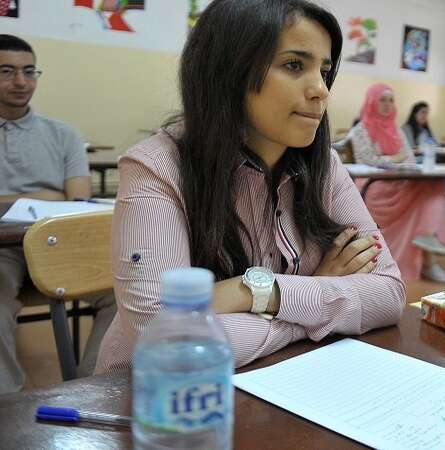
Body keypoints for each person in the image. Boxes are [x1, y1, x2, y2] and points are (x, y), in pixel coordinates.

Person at [95, 0, 405, 373]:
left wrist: (257, 291)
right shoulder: (157, 167)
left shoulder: (325, 166)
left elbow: (389, 294)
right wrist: (315, 302)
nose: (321, 90)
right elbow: (167, 339)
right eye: (294, 65)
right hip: (158, 396)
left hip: (281, 381)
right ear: (229, 70)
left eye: (324, 71)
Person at [0, 35, 117, 392]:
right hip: (3, 250)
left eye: (29, 71)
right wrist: (49, 194)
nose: (21, 82)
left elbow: (78, 199)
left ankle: (91, 390)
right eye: (7, 72)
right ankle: (7, 402)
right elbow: (64, 195)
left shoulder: (63, 134)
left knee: (125, 290)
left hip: (58, 241)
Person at [348, 84, 445, 282]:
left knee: (433, 185)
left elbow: (409, 158)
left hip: (397, 182)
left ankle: (428, 247)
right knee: (424, 190)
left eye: (391, 100)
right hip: (374, 185)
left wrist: (391, 160)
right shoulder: (361, 129)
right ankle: (427, 254)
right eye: (382, 100)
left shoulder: (396, 129)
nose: (387, 104)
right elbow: (365, 159)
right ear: (372, 102)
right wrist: (394, 159)